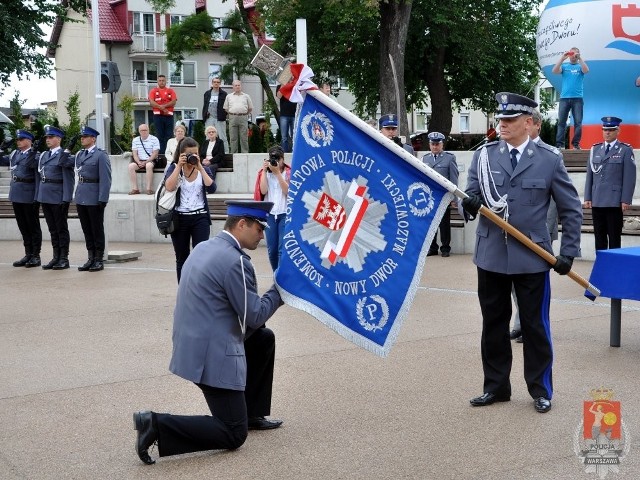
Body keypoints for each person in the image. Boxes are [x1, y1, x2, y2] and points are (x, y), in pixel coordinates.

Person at [132, 200, 283, 465]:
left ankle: (252, 414)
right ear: (242, 224)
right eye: (259, 228)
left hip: (192, 344)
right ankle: (155, 424)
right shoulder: (236, 260)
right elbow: (254, 316)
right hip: (210, 356)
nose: (263, 234)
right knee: (234, 434)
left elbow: (251, 325)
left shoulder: (204, 247)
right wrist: (280, 289)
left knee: (262, 339)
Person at [461, 92, 582, 414]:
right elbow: (470, 196)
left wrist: (567, 251)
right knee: (493, 325)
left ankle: (541, 390)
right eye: (500, 119)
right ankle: (496, 387)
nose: (502, 125)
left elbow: (571, 210)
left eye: (510, 120)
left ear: (529, 123)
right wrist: (469, 205)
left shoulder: (549, 158)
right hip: (490, 256)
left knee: (534, 326)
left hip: (532, 257)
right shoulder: (484, 156)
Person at [510, 110, 560, 344]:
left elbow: (555, 201)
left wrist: (546, 231)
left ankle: (531, 325)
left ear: (536, 126)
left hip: (537, 234)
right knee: (513, 283)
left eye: (528, 124)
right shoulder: (507, 152)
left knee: (535, 287)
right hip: (511, 235)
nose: (524, 128)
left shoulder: (551, 155)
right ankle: (520, 323)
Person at [164, 137, 217, 282]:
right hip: (179, 219)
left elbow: (212, 188)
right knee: (182, 258)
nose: (193, 157)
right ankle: (184, 292)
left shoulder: (203, 169)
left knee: (201, 257)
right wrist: (178, 167)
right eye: (189, 154)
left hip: (200, 218)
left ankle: (199, 291)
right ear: (181, 154)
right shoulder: (174, 168)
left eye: (196, 153)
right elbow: (169, 187)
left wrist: (200, 167)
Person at [583, 116, 636, 251]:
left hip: (614, 201)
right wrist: (588, 197)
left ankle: (614, 265)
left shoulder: (625, 150)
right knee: (599, 237)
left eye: (611, 130)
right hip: (597, 200)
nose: (607, 132)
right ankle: (601, 264)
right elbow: (590, 175)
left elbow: (629, 177)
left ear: (618, 131)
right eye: (605, 130)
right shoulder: (595, 149)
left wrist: (626, 200)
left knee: (614, 237)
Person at [0, 130, 42, 268]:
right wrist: (1, 149)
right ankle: (28, 253)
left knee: (32, 226)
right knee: (23, 226)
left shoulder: (35, 155)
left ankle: (35, 255)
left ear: (29, 141)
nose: (18, 141)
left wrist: (37, 197)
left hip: (29, 194)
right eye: (17, 139)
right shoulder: (15, 154)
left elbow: (34, 171)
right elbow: (2, 161)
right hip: (17, 193)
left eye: (21, 139)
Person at [36, 125, 76, 270]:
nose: (48, 139)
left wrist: (66, 198)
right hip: (46, 196)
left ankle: (64, 258)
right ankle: (55, 257)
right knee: (52, 229)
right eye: (47, 137)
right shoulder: (44, 155)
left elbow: (69, 179)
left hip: (58, 196)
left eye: (51, 137)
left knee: (61, 229)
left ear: (58, 139)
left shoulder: (64, 156)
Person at [74, 126, 112, 272]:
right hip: (82, 195)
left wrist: (103, 198)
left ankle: (98, 259)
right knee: (87, 229)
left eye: (85, 136)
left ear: (93, 138)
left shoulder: (100, 155)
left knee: (96, 229)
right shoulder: (80, 155)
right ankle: (90, 257)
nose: (82, 139)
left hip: (94, 196)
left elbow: (106, 178)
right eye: (81, 137)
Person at [254, 145, 290, 270]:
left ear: (283, 159)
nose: (276, 162)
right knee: (272, 250)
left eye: (278, 159)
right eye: (273, 158)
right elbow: (263, 190)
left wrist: (278, 174)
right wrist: (264, 171)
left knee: (281, 249)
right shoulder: (264, 173)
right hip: (270, 215)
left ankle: (281, 279)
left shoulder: (288, 172)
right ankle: (275, 275)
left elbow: (288, 192)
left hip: (284, 213)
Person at [423, 132, 458, 257]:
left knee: (444, 223)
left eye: (437, 144)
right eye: (433, 144)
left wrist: (454, 198)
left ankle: (445, 248)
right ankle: (432, 248)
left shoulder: (449, 158)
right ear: (429, 144)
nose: (435, 146)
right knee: (431, 223)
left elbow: (454, 179)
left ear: (442, 144)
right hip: (430, 197)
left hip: (444, 197)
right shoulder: (425, 158)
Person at [552, 47, 589, 149]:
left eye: (575, 55)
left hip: (577, 99)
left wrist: (580, 58)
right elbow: (554, 71)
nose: (573, 57)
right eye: (572, 54)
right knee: (561, 122)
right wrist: (562, 58)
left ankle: (576, 144)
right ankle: (560, 145)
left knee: (578, 122)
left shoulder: (580, 66)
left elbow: (586, 70)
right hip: (564, 98)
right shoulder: (565, 66)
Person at [148, 74, 177, 153]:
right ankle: (161, 153)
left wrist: (163, 106)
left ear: (166, 81)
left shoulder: (171, 91)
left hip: (169, 116)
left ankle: (170, 152)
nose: (161, 82)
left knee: (169, 135)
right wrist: (162, 108)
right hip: (158, 116)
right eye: (160, 81)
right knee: (159, 135)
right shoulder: (153, 91)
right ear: (157, 81)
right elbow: (151, 102)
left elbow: (173, 102)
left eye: (163, 80)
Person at [128, 124, 160, 195]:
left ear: (148, 130)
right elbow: (135, 154)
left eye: (145, 130)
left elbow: (155, 154)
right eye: (142, 130)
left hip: (151, 160)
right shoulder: (135, 140)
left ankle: (149, 189)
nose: (144, 132)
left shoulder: (154, 139)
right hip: (139, 160)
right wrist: (138, 162)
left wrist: (146, 162)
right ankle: (135, 188)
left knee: (148, 165)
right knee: (131, 166)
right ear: (139, 131)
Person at [223, 80, 253, 153]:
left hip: (243, 117)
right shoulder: (229, 96)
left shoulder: (246, 96)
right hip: (232, 117)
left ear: (241, 86)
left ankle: (245, 153)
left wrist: (244, 114)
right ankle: (234, 154)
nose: (237, 87)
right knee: (233, 137)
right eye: (235, 85)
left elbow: (250, 108)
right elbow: (225, 108)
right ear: (233, 87)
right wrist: (233, 113)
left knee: (244, 137)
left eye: (238, 85)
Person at [202, 76, 228, 151]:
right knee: (208, 136)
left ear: (220, 84)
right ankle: (208, 152)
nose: (216, 83)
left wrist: (223, 115)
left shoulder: (224, 94)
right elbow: (205, 105)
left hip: (220, 118)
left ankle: (226, 153)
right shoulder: (207, 93)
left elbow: (226, 106)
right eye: (214, 82)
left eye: (218, 82)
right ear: (212, 83)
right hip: (209, 118)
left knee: (222, 137)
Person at [276, 84, 296, 153]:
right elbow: (279, 96)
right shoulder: (280, 86)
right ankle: (284, 153)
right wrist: (283, 85)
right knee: (284, 137)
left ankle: (295, 152)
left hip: (294, 114)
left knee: (295, 136)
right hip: (284, 115)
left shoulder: (295, 85)